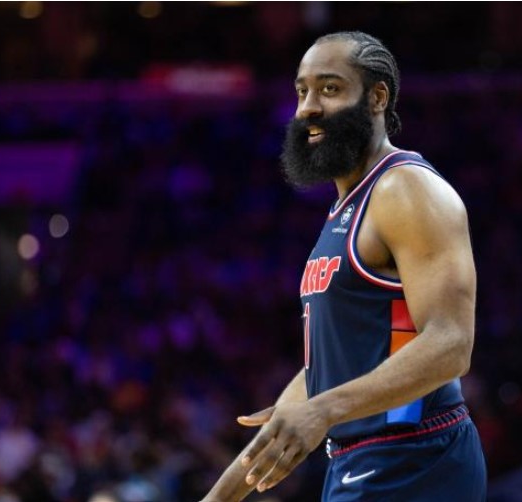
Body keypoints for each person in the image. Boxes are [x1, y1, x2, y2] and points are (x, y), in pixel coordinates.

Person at [202, 31, 486, 501]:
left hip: (417, 457)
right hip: (360, 460)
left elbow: (452, 343)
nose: (308, 108)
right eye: (302, 91)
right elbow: (327, 374)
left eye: (329, 89)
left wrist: (323, 410)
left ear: (377, 98)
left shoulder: (405, 190)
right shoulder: (346, 209)